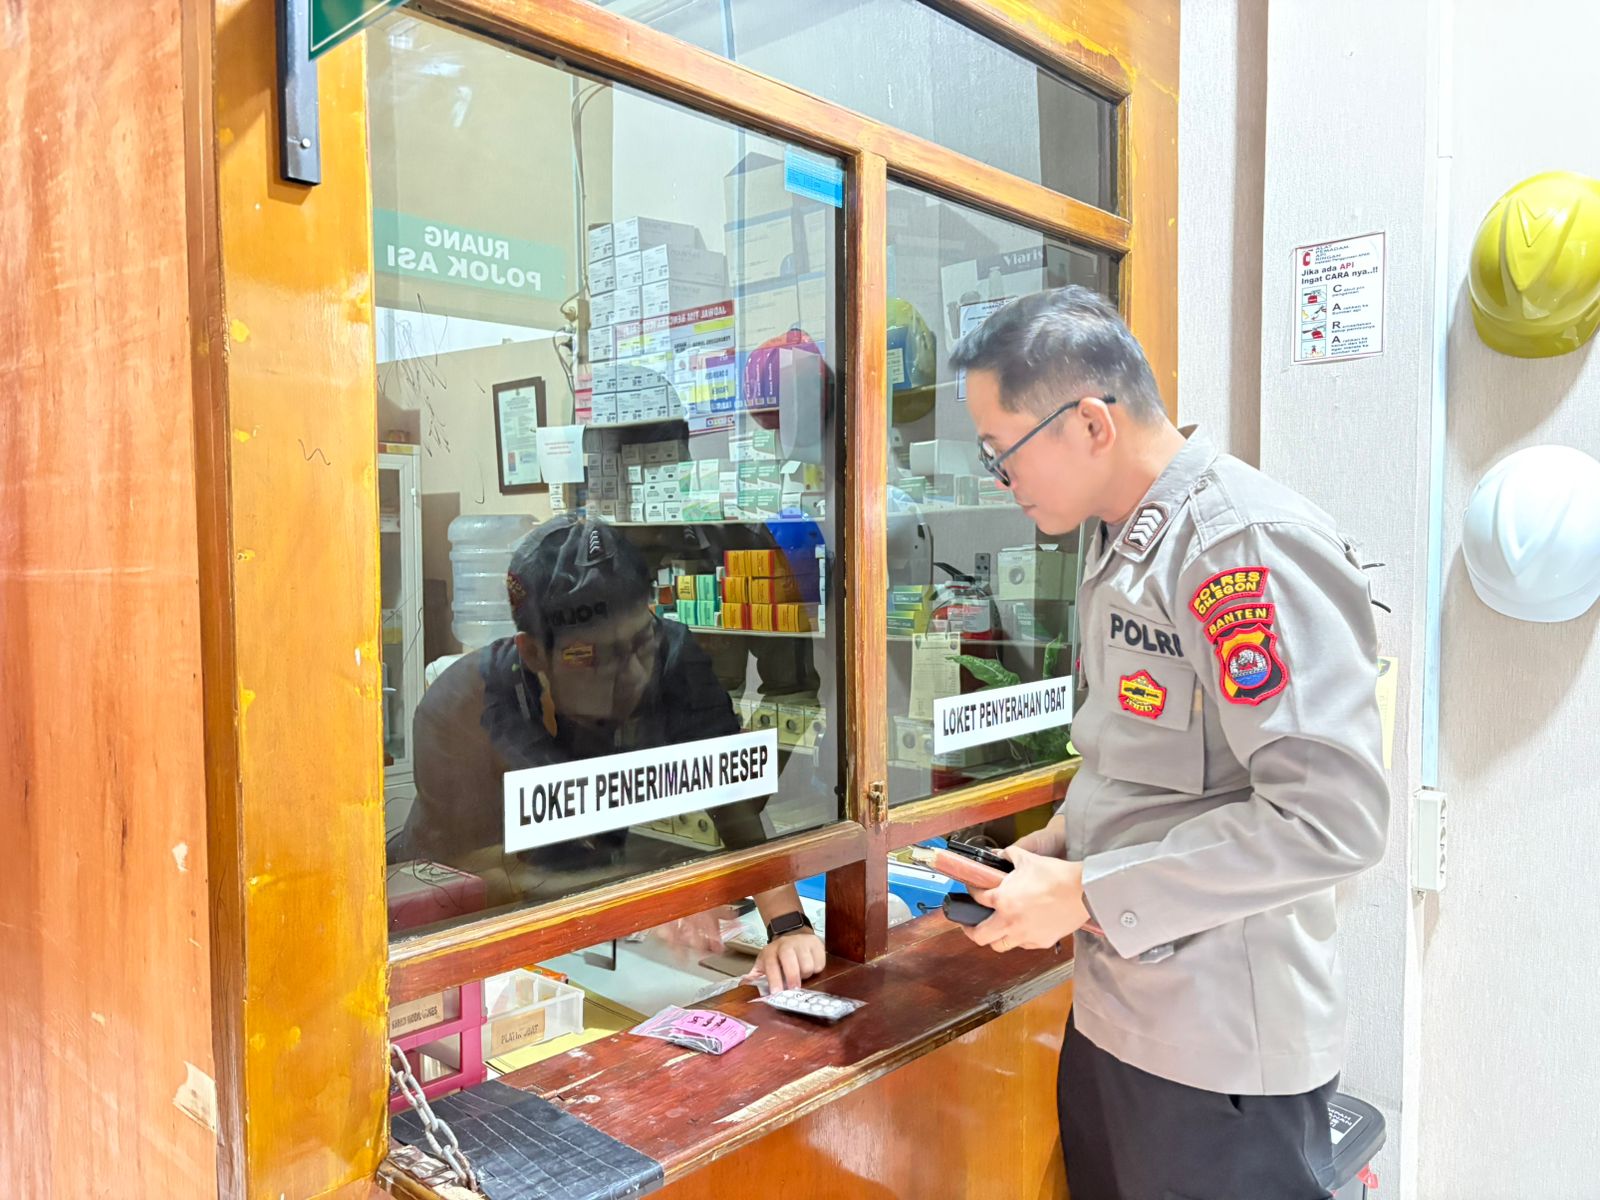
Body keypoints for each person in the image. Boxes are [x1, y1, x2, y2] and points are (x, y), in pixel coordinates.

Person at [948, 286, 1387, 1200]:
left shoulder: (1238, 545)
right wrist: (1058, 847)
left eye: (1003, 453)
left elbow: (1330, 820)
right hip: (1122, 1017)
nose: (1002, 481)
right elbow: (1140, 760)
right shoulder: (1120, 542)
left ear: (1091, 423)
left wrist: (1087, 891)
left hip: (1221, 1055)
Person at [391, 515, 826, 992]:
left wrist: (788, 926)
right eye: (590, 656)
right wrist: (650, 894)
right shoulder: (464, 706)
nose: (630, 673)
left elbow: (733, 797)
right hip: (457, 927)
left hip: (598, 929)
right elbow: (480, 873)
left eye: (639, 642)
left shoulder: (672, 656)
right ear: (533, 654)